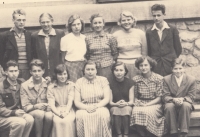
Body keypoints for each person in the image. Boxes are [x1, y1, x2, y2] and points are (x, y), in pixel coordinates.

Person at [74, 61, 111, 137]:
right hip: (84, 107)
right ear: (84, 71)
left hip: (100, 106)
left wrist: (96, 106)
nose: (90, 72)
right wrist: (87, 108)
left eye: (92, 69)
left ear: (96, 70)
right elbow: (77, 102)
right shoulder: (79, 82)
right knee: (80, 116)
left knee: (103, 115)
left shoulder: (103, 80)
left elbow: (107, 98)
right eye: (88, 69)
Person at [130, 56, 164, 137]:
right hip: (141, 102)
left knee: (147, 112)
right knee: (135, 112)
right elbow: (134, 95)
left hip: (155, 104)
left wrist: (147, 105)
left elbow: (159, 97)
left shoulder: (158, 78)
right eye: (141, 65)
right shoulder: (136, 79)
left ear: (151, 66)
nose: (143, 67)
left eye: (146, 65)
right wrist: (137, 101)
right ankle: (142, 134)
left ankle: (151, 134)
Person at [162, 58, 196, 137]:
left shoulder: (191, 79)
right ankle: (173, 132)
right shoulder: (166, 79)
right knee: (169, 107)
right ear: (172, 69)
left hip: (185, 102)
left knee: (186, 105)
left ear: (184, 69)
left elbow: (192, 96)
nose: (178, 71)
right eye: (175, 69)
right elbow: (165, 95)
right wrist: (173, 99)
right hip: (171, 102)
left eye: (180, 68)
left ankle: (183, 133)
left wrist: (183, 99)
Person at [146, 4, 182, 76]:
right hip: (156, 65)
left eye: (159, 15)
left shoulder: (172, 29)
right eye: (154, 16)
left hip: (170, 64)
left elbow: (178, 48)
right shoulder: (149, 31)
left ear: (164, 15)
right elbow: (149, 51)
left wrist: (173, 60)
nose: (156, 18)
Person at [0, 60, 34, 137]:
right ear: (5, 72)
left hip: (17, 113)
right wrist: (14, 112)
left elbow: (34, 81)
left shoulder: (21, 82)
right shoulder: (1, 87)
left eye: (16, 71)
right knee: (20, 122)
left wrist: (47, 81)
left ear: (18, 71)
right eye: (11, 71)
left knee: (30, 119)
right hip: (3, 117)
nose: (14, 74)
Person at [20, 59, 53, 137]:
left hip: (45, 110)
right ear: (30, 72)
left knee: (49, 116)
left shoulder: (48, 83)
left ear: (43, 71)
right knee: (39, 113)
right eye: (34, 71)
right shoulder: (24, 86)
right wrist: (35, 106)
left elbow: (52, 98)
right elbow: (25, 107)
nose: (37, 73)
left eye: (39, 70)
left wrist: (49, 106)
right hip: (32, 112)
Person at [113, 11, 147, 78]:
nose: (126, 22)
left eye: (128, 19)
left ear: (133, 20)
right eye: (123, 20)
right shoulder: (115, 35)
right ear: (120, 22)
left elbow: (144, 53)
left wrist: (142, 66)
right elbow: (114, 53)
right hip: (121, 66)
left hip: (137, 65)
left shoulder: (141, 33)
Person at [0, 9, 32, 80]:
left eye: (23, 20)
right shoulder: (4, 36)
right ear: (13, 20)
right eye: (19, 20)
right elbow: (1, 54)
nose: (21, 22)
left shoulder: (29, 35)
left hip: (27, 71)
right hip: (12, 71)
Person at [85, 13, 118, 82]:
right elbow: (87, 54)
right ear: (92, 25)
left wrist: (109, 63)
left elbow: (115, 53)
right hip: (93, 68)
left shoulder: (110, 37)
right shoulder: (87, 38)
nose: (98, 25)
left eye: (100, 22)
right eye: (95, 23)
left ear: (103, 24)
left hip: (108, 67)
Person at [31, 13, 65, 78]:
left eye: (47, 22)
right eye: (43, 22)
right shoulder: (35, 36)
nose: (46, 24)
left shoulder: (60, 34)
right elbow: (33, 54)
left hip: (57, 68)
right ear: (40, 23)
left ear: (52, 21)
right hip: (41, 70)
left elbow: (63, 52)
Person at [47, 64, 76, 137]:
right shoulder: (51, 87)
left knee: (68, 120)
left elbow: (70, 100)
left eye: (64, 74)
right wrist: (58, 114)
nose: (63, 77)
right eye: (60, 74)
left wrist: (66, 112)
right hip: (56, 110)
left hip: (69, 109)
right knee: (58, 121)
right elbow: (51, 104)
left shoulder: (71, 85)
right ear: (56, 75)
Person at [109, 61, 134, 137]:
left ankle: (126, 133)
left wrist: (125, 103)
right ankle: (119, 134)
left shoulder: (130, 82)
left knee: (126, 109)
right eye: (116, 70)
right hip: (114, 105)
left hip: (127, 105)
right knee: (116, 110)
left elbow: (131, 101)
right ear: (113, 71)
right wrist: (116, 104)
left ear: (125, 71)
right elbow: (110, 102)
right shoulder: (109, 83)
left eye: (121, 70)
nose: (118, 73)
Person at [61, 14, 86, 82]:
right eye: (73, 25)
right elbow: (63, 56)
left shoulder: (84, 38)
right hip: (70, 66)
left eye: (78, 24)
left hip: (83, 65)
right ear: (70, 27)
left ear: (82, 25)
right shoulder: (65, 39)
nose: (76, 27)